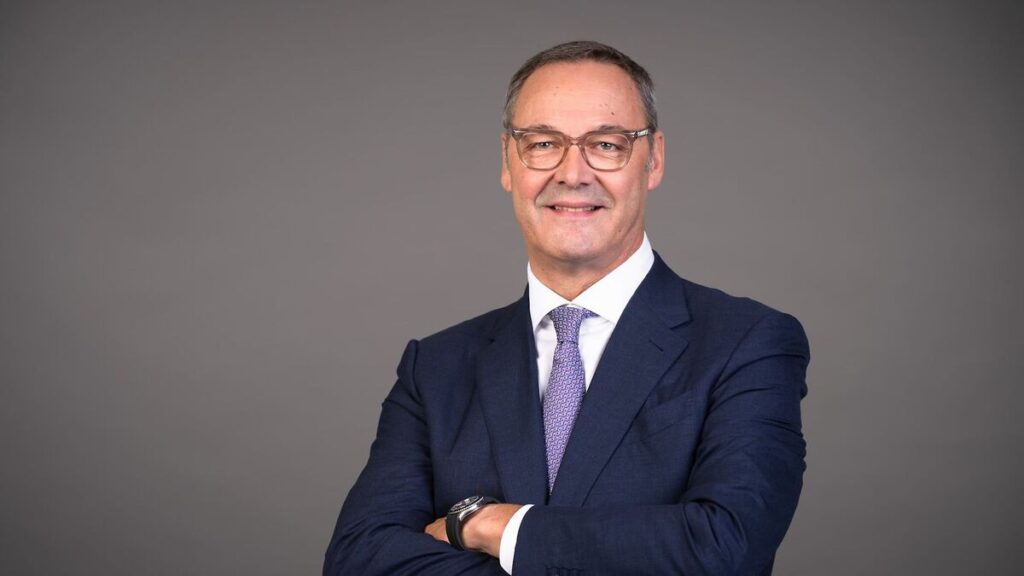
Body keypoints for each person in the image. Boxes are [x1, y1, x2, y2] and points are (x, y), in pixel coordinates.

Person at [324, 40, 810, 576]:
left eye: (606, 144)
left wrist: (493, 526)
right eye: (542, 143)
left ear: (653, 160)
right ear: (507, 162)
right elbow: (358, 560)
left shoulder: (747, 344)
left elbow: (725, 549)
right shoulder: (435, 368)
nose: (572, 173)